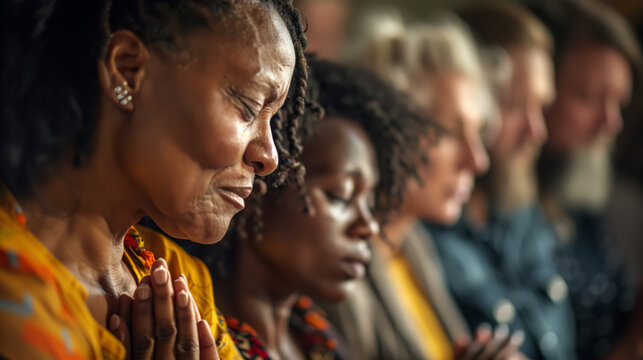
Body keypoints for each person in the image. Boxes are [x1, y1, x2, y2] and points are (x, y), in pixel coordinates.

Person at [0, 0, 307, 358]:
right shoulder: (12, 286)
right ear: (128, 71)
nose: (268, 157)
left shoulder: (174, 278)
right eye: (249, 106)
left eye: (272, 120)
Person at [198, 58, 430, 360]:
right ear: (258, 190)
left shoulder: (314, 334)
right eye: (340, 195)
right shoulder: (197, 338)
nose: (368, 226)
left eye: (370, 202)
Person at [327, 11, 526, 360]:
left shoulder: (416, 246)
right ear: (385, 130)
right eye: (450, 131)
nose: (477, 161)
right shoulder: (335, 274)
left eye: (478, 133)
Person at [427, 3, 578, 360]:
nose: (536, 132)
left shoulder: (525, 215)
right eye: (514, 106)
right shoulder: (422, 237)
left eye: (541, 106)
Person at [528, 0, 643, 358]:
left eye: (619, 105)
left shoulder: (586, 201)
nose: (610, 125)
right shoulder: (512, 218)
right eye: (589, 98)